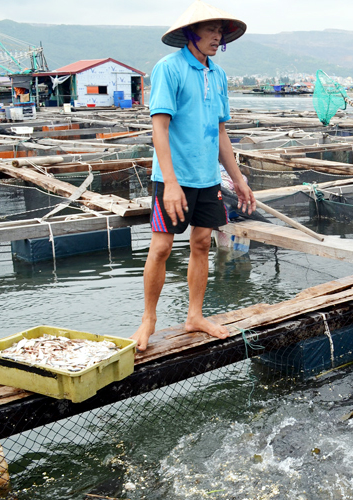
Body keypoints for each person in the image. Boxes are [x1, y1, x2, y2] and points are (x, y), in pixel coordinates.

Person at [131, 1, 256, 352]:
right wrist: (170, 183)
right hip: (173, 178)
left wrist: (239, 179)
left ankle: (195, 316)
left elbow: (220, 132)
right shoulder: (168, 69)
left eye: (220, 31)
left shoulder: (217, 75)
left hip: (208, 178)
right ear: (191, 33)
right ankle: (148, 321)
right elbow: (159, 128)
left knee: (202, 243)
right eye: (210, 30)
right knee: (161, 247)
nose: (217, 36)